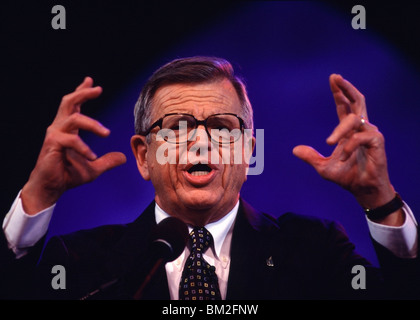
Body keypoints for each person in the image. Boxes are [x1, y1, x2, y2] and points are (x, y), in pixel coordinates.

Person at [1, 56, 419, 300]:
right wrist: (40, 193)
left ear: (247, 151)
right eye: (179, 125)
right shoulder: (80, 262)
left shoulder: (316, 252)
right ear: (144, 157)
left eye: (221, 126)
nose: (201, 143)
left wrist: (379, 199)